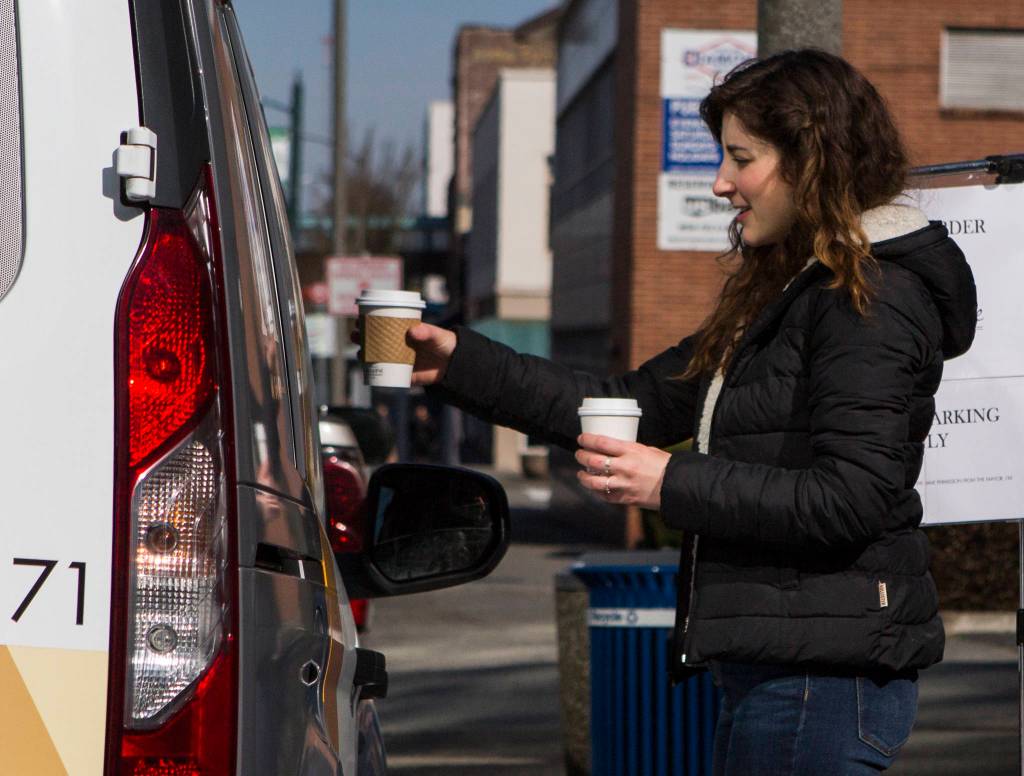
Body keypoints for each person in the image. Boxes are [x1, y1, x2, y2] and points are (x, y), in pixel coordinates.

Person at [378, 50, 977, 773]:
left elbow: (851, 497)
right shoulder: (792, 295)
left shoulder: (866, 298)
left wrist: (670, 483)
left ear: (812, 156)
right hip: (781, 671)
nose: (722, 183)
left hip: (823, 682)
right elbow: (630, 403)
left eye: (741, 157)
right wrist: (459, 362)